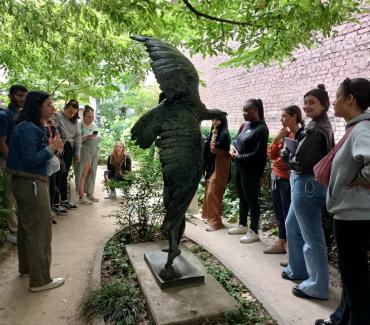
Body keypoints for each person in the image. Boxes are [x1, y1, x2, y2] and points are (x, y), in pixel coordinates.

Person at [315, 78, 370, 325]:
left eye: (338, 96)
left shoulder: (362, 130)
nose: (334, 102)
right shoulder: (355, 128)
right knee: (351, 278)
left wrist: (361, 179)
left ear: (351, 99)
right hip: (350, 214)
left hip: (355, 217)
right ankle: (340, 320)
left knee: (355, 280)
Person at [6, 91, 65, 292]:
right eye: (49, 104)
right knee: (40, 231)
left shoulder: (26, 126)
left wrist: (49, 147)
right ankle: (40, 280)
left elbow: (27, 155)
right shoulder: (29, 129)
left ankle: (28, 269)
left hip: (24, 183)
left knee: (27, 228)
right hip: (31, 184)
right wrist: (52, 148)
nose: (53, 108)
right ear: (37, 106)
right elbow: (31, 160)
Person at [281, 84, 334, 300]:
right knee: (291, 225)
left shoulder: (314, 129)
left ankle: (317, 286)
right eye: (305, 102)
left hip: (306, 186)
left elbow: (301, 163)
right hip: (307, 185)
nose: (306, 106)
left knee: (313, 237)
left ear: (324, 105)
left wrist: (287, 155)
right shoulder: (320, 124)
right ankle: (299, 269)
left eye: (312, 102)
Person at [263, 105, 304, 254]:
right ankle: (281, 243)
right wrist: (277, 139)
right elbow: (272, 155)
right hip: (276, 176)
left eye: (284, 116)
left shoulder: (300, 135)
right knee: (279, 213)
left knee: (289, 215)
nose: (281, 119)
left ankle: (292, 250)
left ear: (295, 116)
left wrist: (284, 161)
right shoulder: (284, 134)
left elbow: (293, 160)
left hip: (288, 179)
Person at [228, 99, 269, 243]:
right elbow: (235, 140)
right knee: (242, 196)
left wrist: (238, 157)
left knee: (252, 199)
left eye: (247, 110)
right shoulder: (246, 125)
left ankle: (253, 231)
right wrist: (232, 147)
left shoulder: (261, 129)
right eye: (243, 110)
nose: (244, 113)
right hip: (239, 167)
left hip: (251, 170)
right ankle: (242, 224)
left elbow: (259, 154)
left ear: (256, 110)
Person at [0, 84, 28, 244]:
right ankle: (13, 232)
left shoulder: (20, 114)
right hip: (9, 161)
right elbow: (2, 143)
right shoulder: (4, 115)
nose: (22, 99)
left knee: (19, 195)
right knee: (11, 196)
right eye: (19, 95)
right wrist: (12, 162)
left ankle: (19, 229)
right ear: (11, 96)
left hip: (20, 161)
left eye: (24, 96)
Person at [202, 116, 231, 231]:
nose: (214, 122)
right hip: (212, 167)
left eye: (217, 120)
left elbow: (214, 149)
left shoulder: (223, 134)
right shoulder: (214, 132)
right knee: (209, 194)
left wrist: (214, 133)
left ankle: (215, 223)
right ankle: (211, 219)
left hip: (219, 167)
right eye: (213, 119)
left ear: (222, 121)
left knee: (213, 194)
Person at [54, 99, 81, 209]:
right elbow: (54, 130)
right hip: (59, 146)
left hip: (69, 147)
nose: (71, 114)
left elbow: (78, 136)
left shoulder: (75, 122)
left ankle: (64, 200)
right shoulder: (57, 116)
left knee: (65, 175)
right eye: (70, 111)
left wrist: (77, 152)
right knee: (58, 174)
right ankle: (56, 203)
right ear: (64, 108)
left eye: (74, 113)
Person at [75, 105, 101, 204]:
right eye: (88, 117)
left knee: (92, 173)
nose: (90, 119)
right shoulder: (79, 125)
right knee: (83, 174)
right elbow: (77, 140)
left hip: (94, 152)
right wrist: (88, 137)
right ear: (83, 116)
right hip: (84, 152)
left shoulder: (94, 125)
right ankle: (82, 196)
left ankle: (90, 194)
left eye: (92, 117)